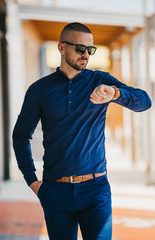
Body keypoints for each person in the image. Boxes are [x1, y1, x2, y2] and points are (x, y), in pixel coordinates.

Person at [12, 22, 152, 240]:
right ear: (61, 47)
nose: (86, 54)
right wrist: (32, 181)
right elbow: (20, 136)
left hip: (95, 191)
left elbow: (144, 101)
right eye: (79, 48)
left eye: (90, 49)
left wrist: (115, 93)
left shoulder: (100, 80)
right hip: (55, 191)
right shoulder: (39, 90)